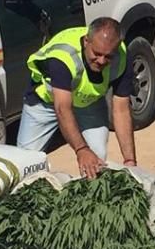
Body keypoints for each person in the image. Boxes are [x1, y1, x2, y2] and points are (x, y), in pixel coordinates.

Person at [17, 17, 136, 179]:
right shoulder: (63, 57)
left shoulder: (121, 56)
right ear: (87, 41)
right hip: (47, 103)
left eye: (108, 56)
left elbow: (121, 109)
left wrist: (130, 160)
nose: (101, 61)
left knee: (96, 160)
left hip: (88, 103)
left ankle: (90, 198)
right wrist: (81, 150)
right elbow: (62, 108)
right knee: (25, 162)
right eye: (97, 54)